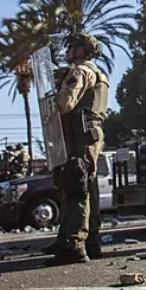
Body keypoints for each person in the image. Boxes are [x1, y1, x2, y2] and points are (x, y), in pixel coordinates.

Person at [45, 32, 109, 266]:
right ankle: (89, 240)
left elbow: (64, 104)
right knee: (87, 187)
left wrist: (55, 90)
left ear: (82, 49)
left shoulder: (80, 71)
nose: (68, 50)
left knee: (75, 185)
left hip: (79, 135)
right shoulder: (97, 72)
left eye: (72, 46)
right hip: (89, 133)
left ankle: (72, 245)